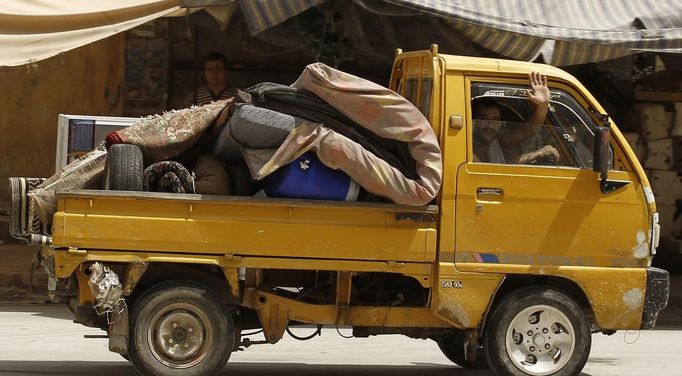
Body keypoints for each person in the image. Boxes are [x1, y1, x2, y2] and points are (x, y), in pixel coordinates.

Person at [472, 72, 560, 164]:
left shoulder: (497, 143)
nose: (490, 126)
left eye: (495, 120)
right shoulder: (464, 143)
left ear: (500, 124)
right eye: (483, 119)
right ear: (473, 121)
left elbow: (526, 131)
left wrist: (544, 104)